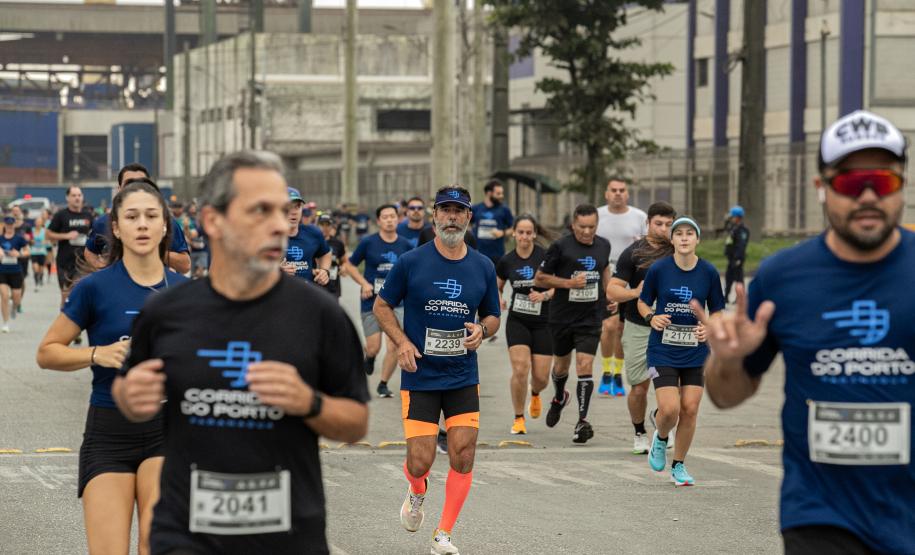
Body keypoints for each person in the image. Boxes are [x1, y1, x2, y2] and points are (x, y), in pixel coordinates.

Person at [112, 150, 369, 555]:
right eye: (260, 211)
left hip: (288, 535)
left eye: (283, 211)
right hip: (185, 533)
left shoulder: (321, 315)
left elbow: (356, 423)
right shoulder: (165, 313)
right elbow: (127, 391)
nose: (279, 225)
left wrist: (309, 402)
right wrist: (129, 397)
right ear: (213, 220)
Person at [697, 110, 914, 554]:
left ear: (903, 186)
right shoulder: (782, 278)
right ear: (822, 188)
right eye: (851, 184)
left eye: (884, 182)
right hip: (820, 515)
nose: (868, 196)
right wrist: (729, 358)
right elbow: (726, 395)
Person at [36, 181, 187, 554]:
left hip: (168, 431)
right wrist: (96, 354)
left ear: (165, 226)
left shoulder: (186, 292)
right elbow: (47, 352)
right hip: (108, 433)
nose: (142, 225)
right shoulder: (95, 288)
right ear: (116, 227)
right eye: (132, 217)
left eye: (152, 216)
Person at [375, 185, 500, 555]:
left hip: (463, 374)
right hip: (421, 376)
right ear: (433, 217)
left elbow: (493, 314)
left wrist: (483, 329)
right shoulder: (412, 262)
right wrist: (402, 343)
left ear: (468, 218)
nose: (451, 217)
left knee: (463, 453)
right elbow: (382, 307)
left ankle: (442, 534)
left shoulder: (483, 265)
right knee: (420, 461)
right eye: (445, 210)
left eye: (458, 211)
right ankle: (417, 491)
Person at [637, 216, 724, 486]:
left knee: (690, 409)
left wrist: (709, 328)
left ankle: (679, 466)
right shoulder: (659, 269)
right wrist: (652, 317)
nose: (684, 238)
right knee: (670, 409)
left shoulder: (708, 272)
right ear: (672, 240)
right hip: (661, 349)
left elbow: (719, 311)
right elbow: (643, 302)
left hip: (696, 351)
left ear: (697, 239)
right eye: (679, 234)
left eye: (690, 233)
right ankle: (661, 438)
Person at [534, 204, 613, 443]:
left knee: (585, 364)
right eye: (582, 227)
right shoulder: (561, 246)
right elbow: (540, 278)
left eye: (592, 227)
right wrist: (569, 284)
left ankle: (582, 421)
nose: (587, 232)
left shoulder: (603, 245)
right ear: (573, 225)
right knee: (560, 368)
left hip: (591, 316)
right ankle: (559, 397)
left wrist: (610, 294)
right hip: (562, 316)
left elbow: (605, 269)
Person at [606, 201, 676, 454]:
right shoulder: (633, 253)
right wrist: (635, 292)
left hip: (672, 328)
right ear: (648, 223)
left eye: (669, 224)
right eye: (658, 223)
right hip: (638, 326)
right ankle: (639, 432)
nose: (663, 229)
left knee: (672, 385)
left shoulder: (678, 251)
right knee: (640, 386)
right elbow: (612, 289)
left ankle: (662, 422)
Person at [345, 204, 413, 397]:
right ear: (379, 221)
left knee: (394, 344)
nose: (390, 220)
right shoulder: (368, 243)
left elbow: (413, 271)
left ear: (398, 219)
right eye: (385, 217)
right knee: (374, 346)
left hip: (397, 303)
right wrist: (364, 284)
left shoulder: (406, 245)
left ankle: (383, 383)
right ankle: (370, 356)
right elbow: (350, 265)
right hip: (371, 301)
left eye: (393, 216)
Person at [496, 215, 554, 435]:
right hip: (518, 320)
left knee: (541, 378)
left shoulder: (546, 257)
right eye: (520, 232)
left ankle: (536, 393)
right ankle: (519, 417)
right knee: (520, 369)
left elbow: (560, 284)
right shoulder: (507, 260)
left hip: (544, 322)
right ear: (514, 233)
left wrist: (546, 295)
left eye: (529, 232)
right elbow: (497, 285)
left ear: (535, 234)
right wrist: (498, 298)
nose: (524, 237)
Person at [84, 164, 191, 274]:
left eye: (140, 184)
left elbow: (185, 265)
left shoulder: (167, 223)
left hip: (157, 288)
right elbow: (89, 251)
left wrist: (154, 251)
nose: (134, 189)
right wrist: (103, 270)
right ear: (119, 189)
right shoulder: (103, 222)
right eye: (129, 184)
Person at [596, 177, 648, 397]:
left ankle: (617, 374)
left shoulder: (639, 217)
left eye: (622, 190)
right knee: (608, 326)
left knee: (620, 328)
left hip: (630, 277)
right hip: (604, 277)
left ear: (628, 194)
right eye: (613, 190)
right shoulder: (598, 216)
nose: (618, 193)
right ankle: (606, 371)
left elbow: (647, 245)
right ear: (606, 193)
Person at [46, 186, 95, 307]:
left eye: (79, 195)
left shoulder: (88, 215)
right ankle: (64, 318)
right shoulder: (61, 215)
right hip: (64, 261)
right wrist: (66, 235)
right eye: (74, 195)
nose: (77, 198)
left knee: (77, 291)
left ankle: (77, 320)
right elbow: (48, 234)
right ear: (67, 198)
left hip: (83, 262)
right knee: (66, 294)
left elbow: (95, 234)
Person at [282, 187, 332, 284]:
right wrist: (275, 272)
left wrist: (324, 270)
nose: (294, 211)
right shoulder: (268, 236)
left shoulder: (313, 233)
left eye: (297, 207)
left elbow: (326, 253)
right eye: (289, 207)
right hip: (278, 296)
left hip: (305, 294)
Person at [471, 179, 514, 266]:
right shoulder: (476, 208)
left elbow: (514, 228)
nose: (501, 196)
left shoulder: (504, 210)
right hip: (478, 254)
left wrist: (502, 233)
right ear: (489, 193)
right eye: (498, 193)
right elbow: (467, 223)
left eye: (502, 193)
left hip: (497, 255)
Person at [1, 214, 29, 333]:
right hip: (2, 271)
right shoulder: (0, 238)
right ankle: (5, 323)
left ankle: (14, 308)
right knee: (4, 296)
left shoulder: (19, 238)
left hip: (16, 271)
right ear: (5, 225)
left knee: (16, 298)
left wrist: (19, 254)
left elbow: (28, 251)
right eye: (7, 225)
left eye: (11, 225)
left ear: (14, 225)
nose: (9, 227)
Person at [723, 205, 749, 302]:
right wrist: (726, 220)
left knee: (739, 279)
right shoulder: (734, 228)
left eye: (732, 216)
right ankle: (726, 297)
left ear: (737, 217)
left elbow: (741, 245)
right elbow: (726, 228)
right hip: (731, 258)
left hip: (737, 259)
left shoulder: (742, 230)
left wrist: (738, 258)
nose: (731, 218)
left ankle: (740, 299)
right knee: (728, 278)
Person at [316, 213, 346, 300]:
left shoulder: (338, 243)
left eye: (327, 225)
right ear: (317, 225)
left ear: (331, 226)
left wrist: (343, 267)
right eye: (322, 224)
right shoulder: (312, 242)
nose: (325, 228)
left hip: (333, 285)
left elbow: (344, 260)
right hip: (316, 284)